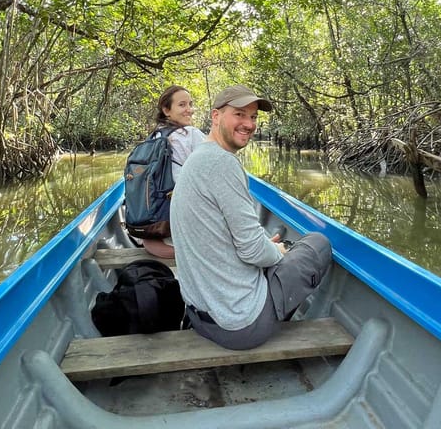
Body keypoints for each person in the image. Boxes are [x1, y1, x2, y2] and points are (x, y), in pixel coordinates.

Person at [170, 84, 332, 350]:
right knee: (317, 243)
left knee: (271, 249)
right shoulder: (223, 163)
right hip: (239, 325)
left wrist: (266, 248)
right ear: (216, 116)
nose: (248, 124)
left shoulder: (197, 157)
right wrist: (277, 252)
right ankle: (274, 314)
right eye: (239, 114)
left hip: (200, 317)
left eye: (253, 117)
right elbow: (253, 252)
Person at [140, 85, 206, 259]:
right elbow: (213, 172)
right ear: (166, 110)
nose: (189, 110)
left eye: (190, 104)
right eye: (182, 105)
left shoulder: (153, 137)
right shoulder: (191, 134)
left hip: (154, 225)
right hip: (181, 220)